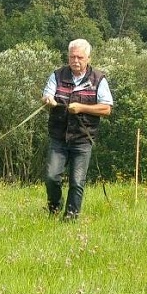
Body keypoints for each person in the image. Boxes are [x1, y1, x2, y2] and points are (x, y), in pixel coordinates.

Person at [41, 39, 113, 220]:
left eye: (79, 57)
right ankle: (55, 208)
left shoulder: (98, 79)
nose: (75, 60)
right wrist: (48, 100)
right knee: (51, 177)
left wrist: (82, 108)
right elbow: (47, 95)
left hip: (83, 139)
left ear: (88, 58)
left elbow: (106, 109)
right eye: (72, 56)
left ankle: (71, 217)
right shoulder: (57, 75)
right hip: (58, 137)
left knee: (77, 181)